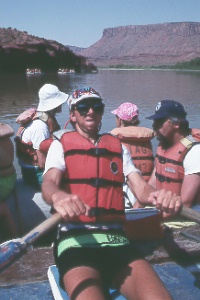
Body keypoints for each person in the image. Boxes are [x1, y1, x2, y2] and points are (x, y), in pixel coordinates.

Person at [42, 87, 181, 300]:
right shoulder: (60, 145)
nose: (90, 111)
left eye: (96, 107)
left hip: (117, 241)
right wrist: (58, 196)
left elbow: (141, 189)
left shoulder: (118, 147)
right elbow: (49, 183)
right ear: (72, 114)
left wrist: (158, 196)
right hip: (76, 242)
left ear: (101, 112)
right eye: (83, 107)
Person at [147, 100, 200, 208]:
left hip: (185, 219)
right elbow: (151, 186)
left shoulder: (194, 151)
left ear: (176, 124)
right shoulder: (163, 146)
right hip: (161, 210)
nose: (154, 125)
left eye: (159, 121)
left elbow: (186, 203)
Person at [15, 84, 68, 189]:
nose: (62, 104)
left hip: (33, 170)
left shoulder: (42, 118)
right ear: (54, 105)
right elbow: (42, 162)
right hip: (35, 175)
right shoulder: (40, 127)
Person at [111, 102, 155, 208]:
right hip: (147, 192)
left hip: (127, 197)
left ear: (120, 120)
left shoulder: (114, 140)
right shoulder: (146, 140)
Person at [0, 122, 17, 239]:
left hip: (4, 182)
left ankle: (14, 237)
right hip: (9, 177)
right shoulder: (4, 131)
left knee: (2, 208)